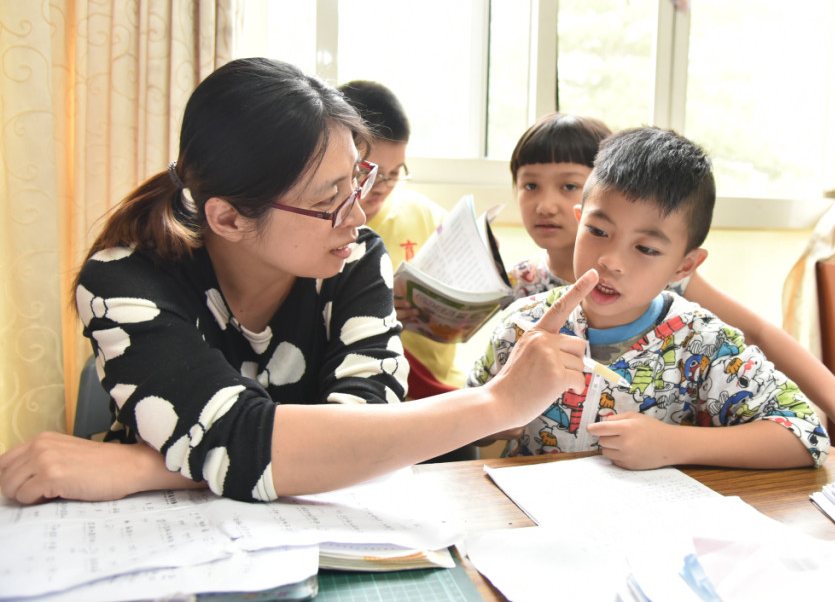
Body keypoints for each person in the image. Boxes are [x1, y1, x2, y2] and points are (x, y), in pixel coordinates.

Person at [0, 57, 598, 505]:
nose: (357, 216)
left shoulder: (353, 257)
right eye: (327, 200)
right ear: (228, 219)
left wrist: (141, 466)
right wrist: (498, 402)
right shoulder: (124, 282)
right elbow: (282, 439)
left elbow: (368, 422)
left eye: (357, 182)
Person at [505, 113, 835, 470]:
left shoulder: (693, 328)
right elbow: (489, 406)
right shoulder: (520, 302)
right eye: (530, 185)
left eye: (567, 183)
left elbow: (761, 340)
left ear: (682, 266)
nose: (546, 205)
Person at [472, 127, 829, 470]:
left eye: (645, 248)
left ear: (684, 266)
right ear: (579, 222)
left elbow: (805, 434)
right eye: (598, 231)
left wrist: (672, 444)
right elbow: (466, 423)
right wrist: (501, 414)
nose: (611, 260)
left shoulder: (704, 343)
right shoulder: (522, 325)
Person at [337, 80, 461, 396]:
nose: (382, 186)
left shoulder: (425, 215)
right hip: (364, 392)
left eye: (394, 174)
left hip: (440, 389)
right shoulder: (320, 228)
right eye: (368, 173)